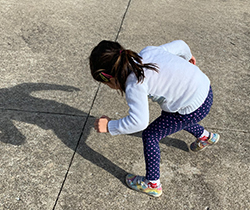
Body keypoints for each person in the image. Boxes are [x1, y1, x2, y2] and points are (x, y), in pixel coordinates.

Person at [90, 40, 220, 197]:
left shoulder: (135, 83)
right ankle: (206, 137)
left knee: (151, 135)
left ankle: (152, 183)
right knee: (174, 119)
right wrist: (188, 57)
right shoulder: (148, 52)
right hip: (204, 89)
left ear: (108, 78)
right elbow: (181, 45)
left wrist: (110, 126)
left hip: (193, 106)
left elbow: (139, 122)